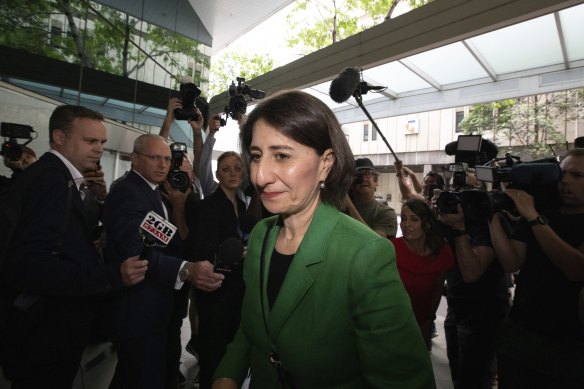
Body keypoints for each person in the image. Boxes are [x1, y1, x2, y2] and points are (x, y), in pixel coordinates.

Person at [212, 90, 435, 389]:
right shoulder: (261, 235)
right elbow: (256, 327)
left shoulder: (365, 254)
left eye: (282, 155)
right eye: (255, 156)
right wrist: (226, 376)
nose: (260, 175)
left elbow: (404, 380)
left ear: (326, 163)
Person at [0, 104, 147, 388]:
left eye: (102, 142)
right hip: (43, 335)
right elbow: (30, 266)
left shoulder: (60, 179)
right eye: (90, 141)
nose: (99, 149)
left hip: (49, 333)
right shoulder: (52, 182)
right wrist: (113, 275)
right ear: (59, 137)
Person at [102, 133, 225, 389]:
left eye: (167, 159)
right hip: (136, 310)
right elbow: (136, 250)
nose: (162, 165)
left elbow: (165, 241)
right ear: (134, 159)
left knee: (133, 376)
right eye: (154, 158)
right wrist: (186, 269)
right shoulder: (128, 193)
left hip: (154, 309)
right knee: (141, 376)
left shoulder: (154, 192)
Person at [489, 148, 584, 388]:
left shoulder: (537, 215)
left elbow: (575, 269)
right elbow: (512, 261)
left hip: (565, 340)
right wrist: (491, 216)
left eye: (577, 176)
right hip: (521, 329)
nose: (566, 181)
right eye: (562, 174)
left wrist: (533, 217)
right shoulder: (544, 212)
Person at [438, 182, 510, 389]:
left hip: (483, 314)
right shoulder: (453, 224)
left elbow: (471, 273)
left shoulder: (488, 225)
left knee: (474, 379)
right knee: (459, 374)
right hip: (457, 307)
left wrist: (459, 230)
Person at [188, 151, 247, 389]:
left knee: (233, 351)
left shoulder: (242, 205)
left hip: (238, 290)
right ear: (217, 174)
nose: (232, 173)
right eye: (226, 169)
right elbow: (201, 249)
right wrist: (237, 252)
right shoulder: (209, 206)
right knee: (213, 353)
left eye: (237, 168)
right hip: (215, 290)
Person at [392, 199, 454, 349]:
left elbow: (438, 288)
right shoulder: (391, 248)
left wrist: (429, 320)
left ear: (427, 224)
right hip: (392, 322)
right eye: (404, 219)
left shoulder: (442, 251)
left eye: (414, 219)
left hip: (422, 321)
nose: (406, 225)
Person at [345, 157, 398, 238]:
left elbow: (374, 241)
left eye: (367, 174)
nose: (363, 179)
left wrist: (349, 205)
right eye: (358, 175)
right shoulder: (340, 208)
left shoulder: (386, 212)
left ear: (375, 181)